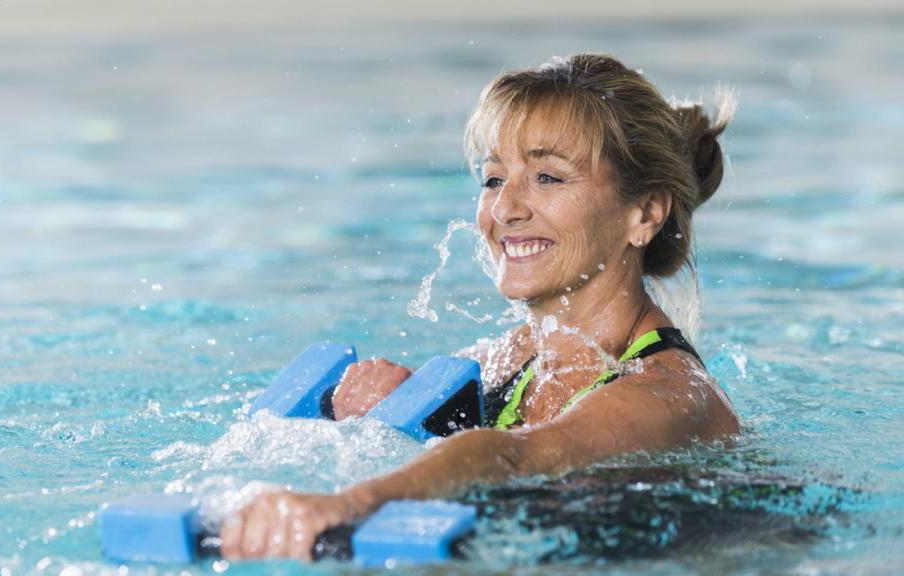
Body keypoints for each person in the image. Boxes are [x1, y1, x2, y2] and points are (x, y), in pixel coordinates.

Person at [221, 53, 741, 560]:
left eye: (548, 177)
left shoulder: (671, 394)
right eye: (494, 178)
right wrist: (377, 420)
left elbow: (512, 456)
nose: (504, 209)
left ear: (645, 213)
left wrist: (348, 504)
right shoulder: (509, 359)